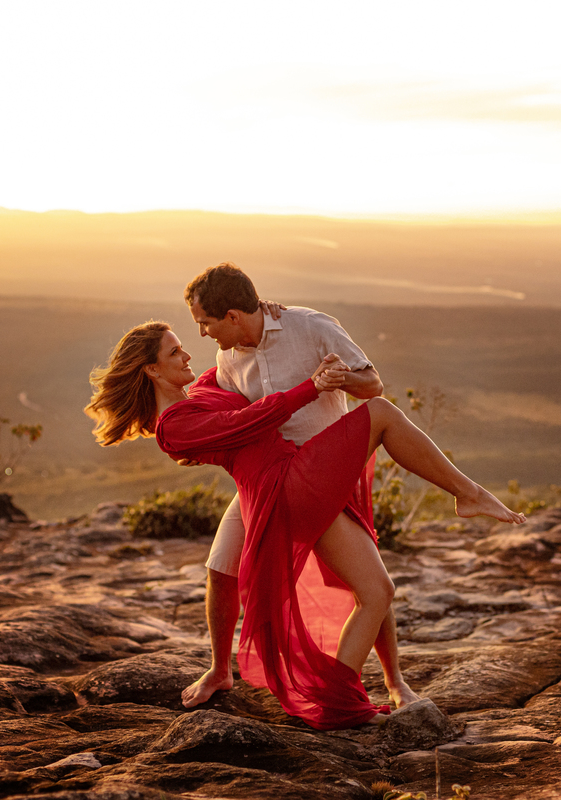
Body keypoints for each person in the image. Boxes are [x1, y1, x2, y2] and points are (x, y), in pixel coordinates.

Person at [85, 321, 526, 730]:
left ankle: (380, 682)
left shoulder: (199, 389)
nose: (187, 354)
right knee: (381, 415)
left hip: (272, 483)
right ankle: (465, 494)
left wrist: (270, 315)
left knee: (259, 574)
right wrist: (311, 388)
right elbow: (248, 420)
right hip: (283, 486)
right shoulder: (174, 428)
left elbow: (241, 367)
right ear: (150, 369)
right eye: (175, 351)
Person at [180, 262, 416, 712]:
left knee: (363, 580)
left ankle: (395, 681)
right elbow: (233, 416)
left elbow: (373, 385)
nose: (203, 333)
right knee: (220, 567)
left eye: (205, 322)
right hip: (270, 479)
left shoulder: (311, 327)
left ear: (232, 315)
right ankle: (220, 670)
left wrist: (335, 378)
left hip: (327, 471)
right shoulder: (226, 359)